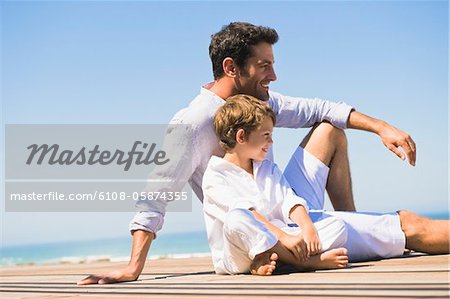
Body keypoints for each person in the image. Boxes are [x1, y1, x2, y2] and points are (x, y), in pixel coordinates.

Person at [78, 22, 440, 285]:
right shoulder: (190, 124)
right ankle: (347, 242)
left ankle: (355, 229)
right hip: (253, 234)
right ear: (231, 68)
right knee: (409, 225)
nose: (274, 75)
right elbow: (155, 197)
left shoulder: (259, 103)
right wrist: (133, 267)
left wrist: (382, 127)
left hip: (283, 207)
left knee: (330, 128)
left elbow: (321, 108)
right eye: (264, 65)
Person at [204, 94, 349, 275]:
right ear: (241, 136)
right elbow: (249, 214)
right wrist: (283, 237)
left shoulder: (267, 167)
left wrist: (308, 228)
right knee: (237, 218)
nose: (271, 142)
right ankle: (304, 263)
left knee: (338, 227)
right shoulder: (215, 175)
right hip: (239, 254)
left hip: (280, 239)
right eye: (266, 135)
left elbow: (289, 200)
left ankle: (274, 258)